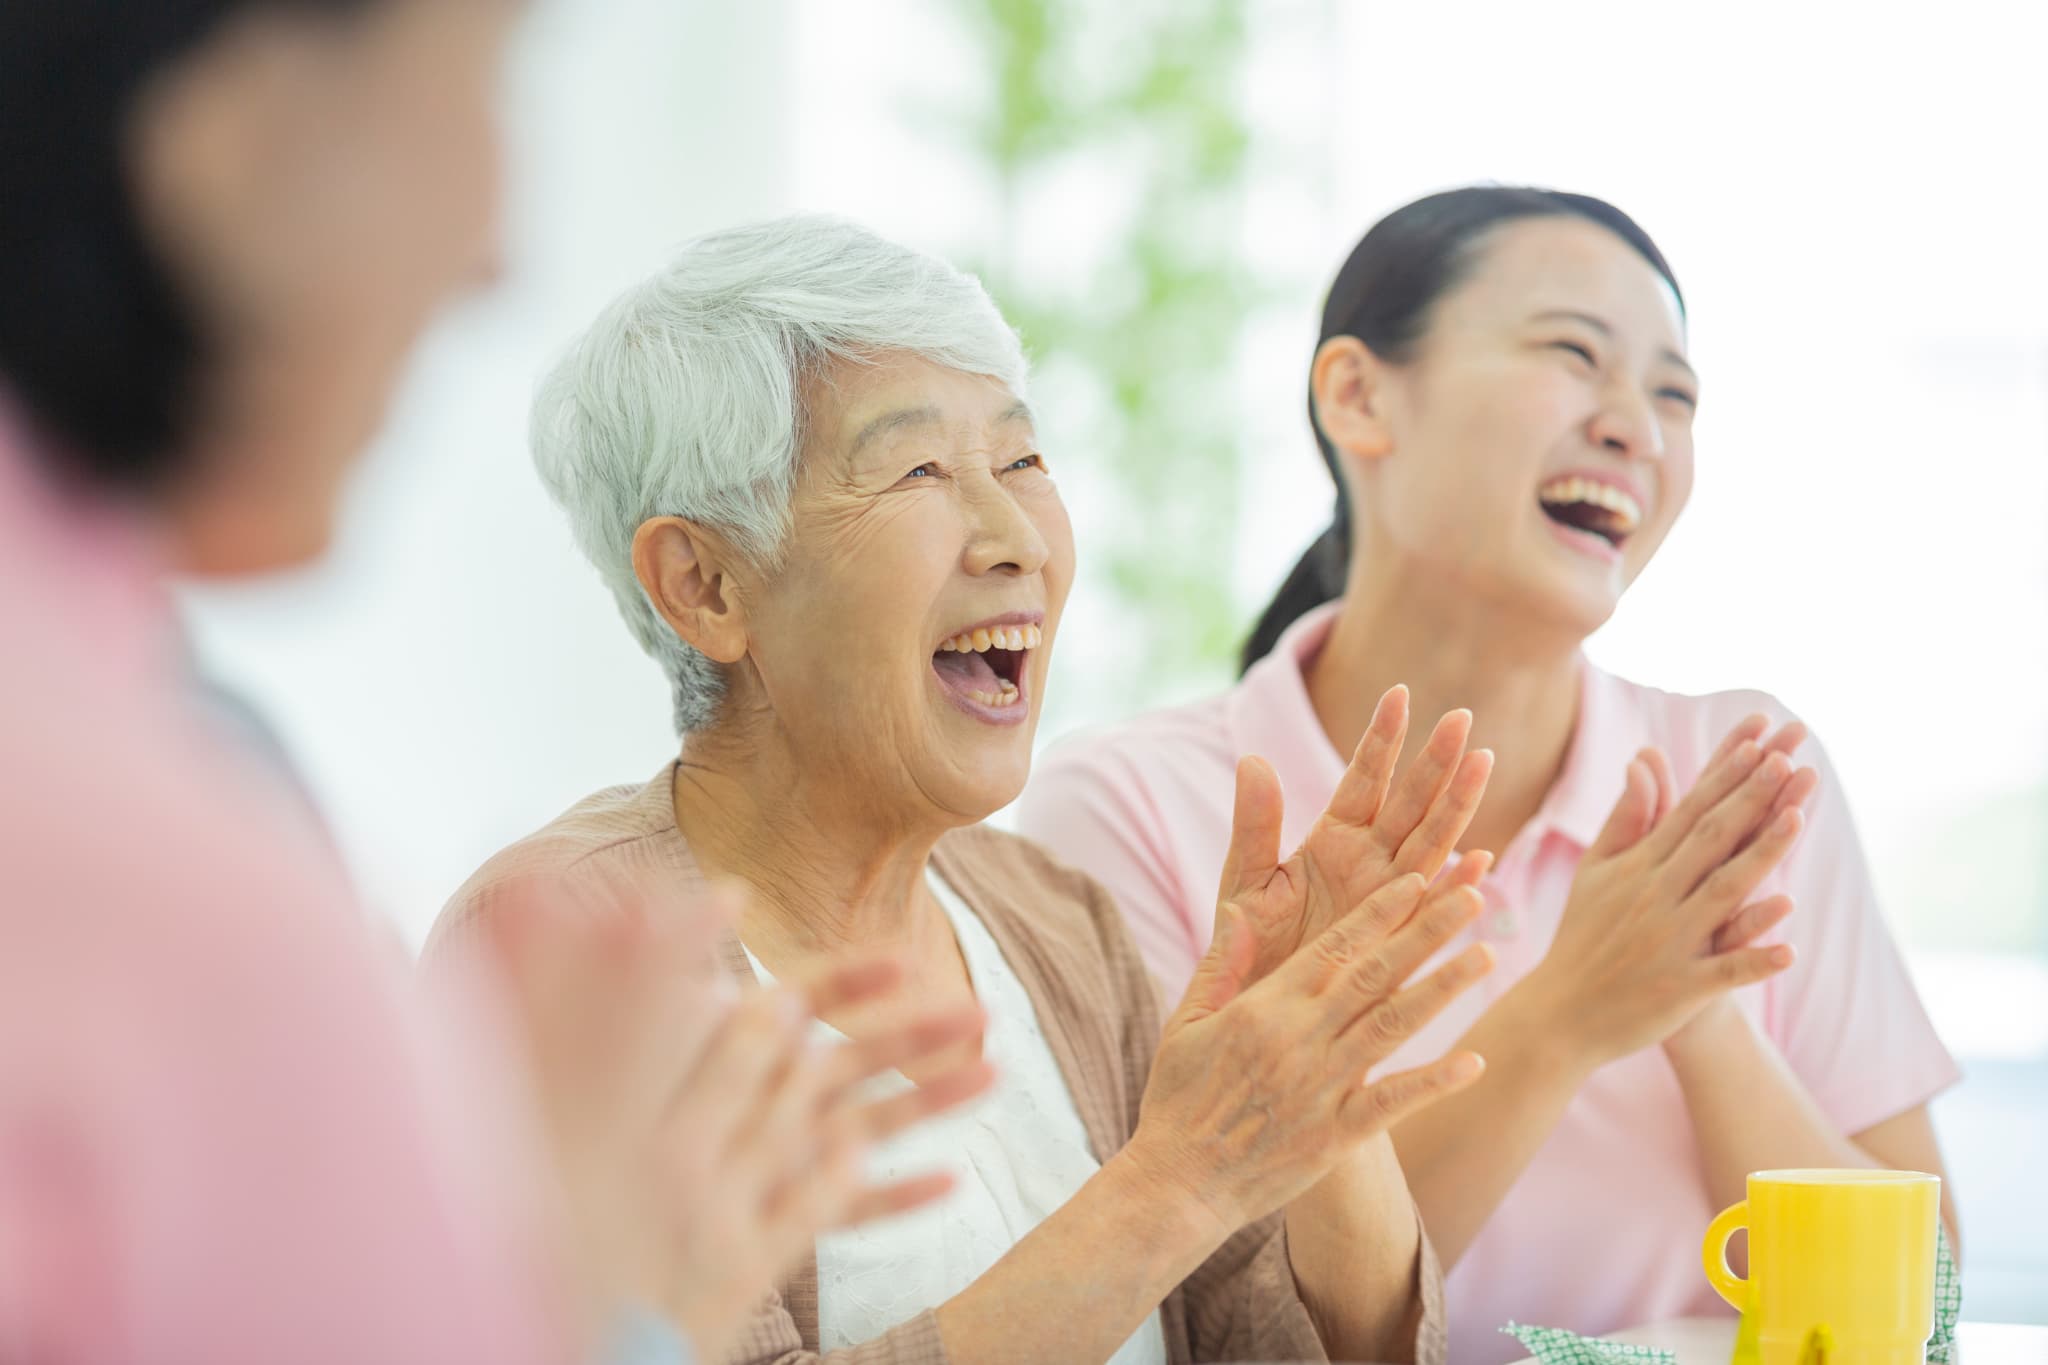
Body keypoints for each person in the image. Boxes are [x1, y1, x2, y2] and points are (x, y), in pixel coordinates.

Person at [0, 5, 987, 1362]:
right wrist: (592, 1294)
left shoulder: (1055, 922)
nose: (493, 254)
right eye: (479, 84)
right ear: (236, 131)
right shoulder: (196, 893)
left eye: (1025, 460)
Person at [433, 212, 1507, 1365]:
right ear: (703, 587)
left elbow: (1283, 1349)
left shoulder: (1054, 919)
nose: (1015, 539)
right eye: (918, 470)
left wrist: (1313, 1073)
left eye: (1023, 460)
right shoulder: (564, 947)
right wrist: (1174, 1184)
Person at [1016, 185, 1961, 1361]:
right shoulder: (1131, 807)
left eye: (1674, 394)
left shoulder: (1742, 778)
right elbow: (1209, 1326)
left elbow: (1919, 1317)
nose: (1636, 427)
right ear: (1359, 397)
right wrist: (1565, 1018)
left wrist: (1699, 1012)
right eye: (1574, 354)